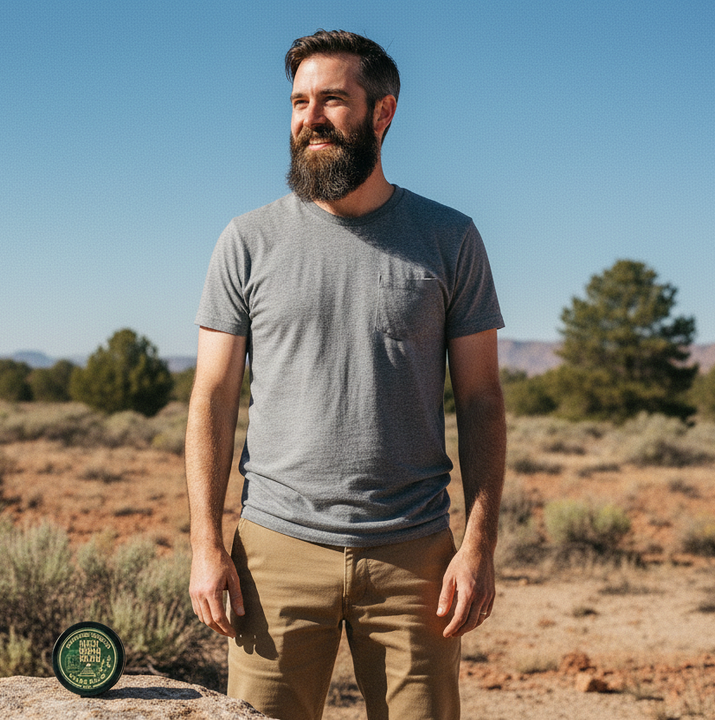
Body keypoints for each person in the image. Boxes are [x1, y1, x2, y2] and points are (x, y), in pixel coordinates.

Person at [186, 30, 507, 720]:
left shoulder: (449, 239)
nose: (311, 118)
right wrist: (206, 544)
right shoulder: (247, 241)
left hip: (414, 558)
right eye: (299, 102)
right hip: (274, 554)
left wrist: (478, 545)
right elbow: (212, 397)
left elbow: (482, 399)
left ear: (382, 112)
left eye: (332, 100)